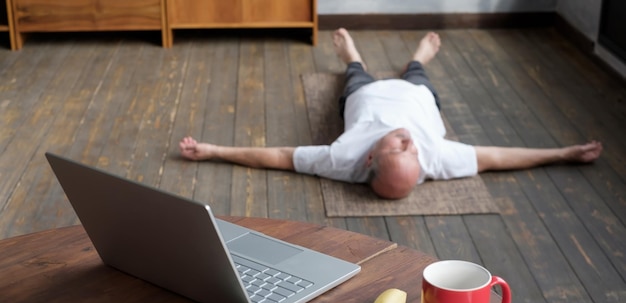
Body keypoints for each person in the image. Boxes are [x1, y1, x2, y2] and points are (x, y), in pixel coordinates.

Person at [179, 28, 603, 200]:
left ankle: (353, 58)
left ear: (369, 158)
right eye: (411, 151)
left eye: (402, 147)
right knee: (420, 76)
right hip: (417, 94)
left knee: (353, 78)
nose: (410, 141)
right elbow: (496, 158)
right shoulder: (434, 157)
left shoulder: (342, 159)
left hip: (363, 96)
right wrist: (562, 153)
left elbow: (278, 156)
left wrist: (212, 150)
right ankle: (418, 59)